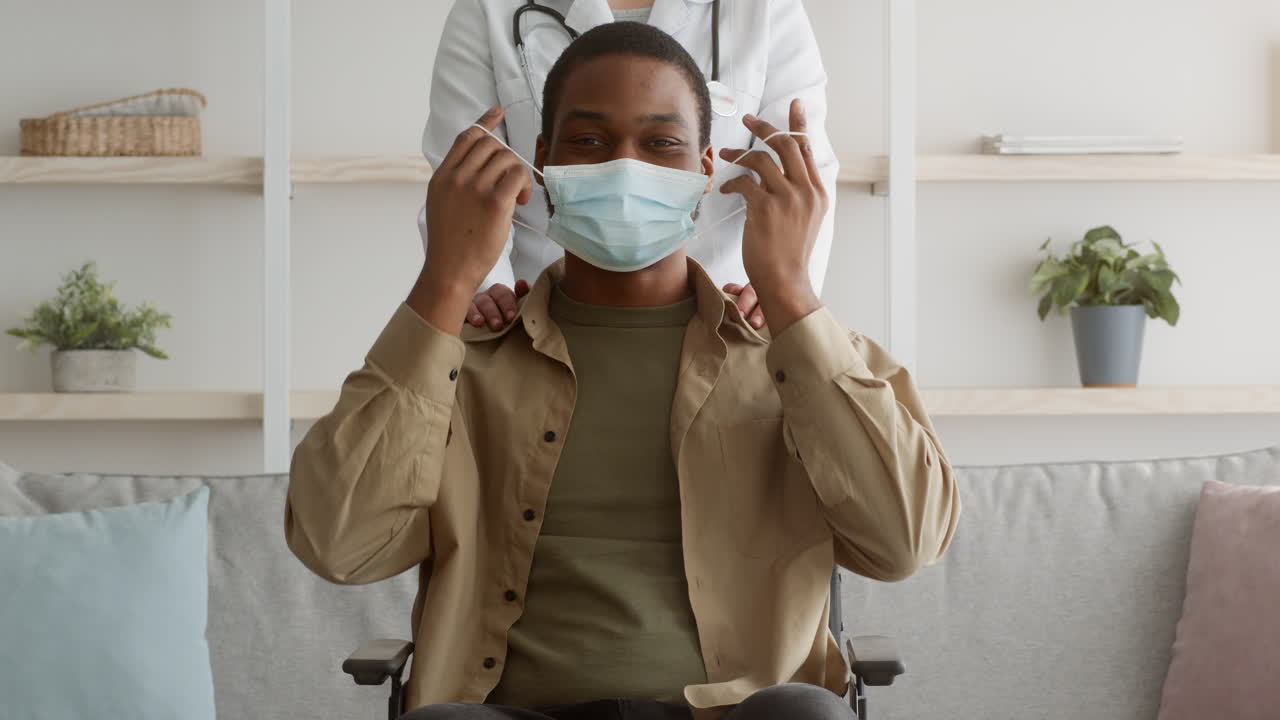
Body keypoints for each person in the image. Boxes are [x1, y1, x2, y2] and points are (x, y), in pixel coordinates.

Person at [287, 22, 958, 720]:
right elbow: (338, 546)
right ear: (540, 160)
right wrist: (443, 285)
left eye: (661, 142)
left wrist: (790, 290)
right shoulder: (462, 361)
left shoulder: (796, 354)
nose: (624, 165)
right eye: (590, 141)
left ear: (705, 170)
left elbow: (906, 541)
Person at [418, 0, 840, 332]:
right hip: (535, 316)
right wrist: (487, 289)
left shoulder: (766, 8)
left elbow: (800, 171)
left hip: (725, 320)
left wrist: (784, 288)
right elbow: (462, 174)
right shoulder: (488, 8)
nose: (625, 167)